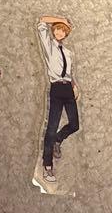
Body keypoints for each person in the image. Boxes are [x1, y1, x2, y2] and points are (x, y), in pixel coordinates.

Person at [36, 15, 78, 186]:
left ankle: (58, 140)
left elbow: (68, 72)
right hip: (56, 88)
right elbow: (42, 20)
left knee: (74, 125)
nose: (60, 33)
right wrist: (62, 20)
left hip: (68, 89)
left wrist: (75, 86)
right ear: (54, 30)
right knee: (51, 128)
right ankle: (47, 166)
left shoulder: (68, 52)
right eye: (58, 29)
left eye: (63, 30)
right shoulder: (49, 45)